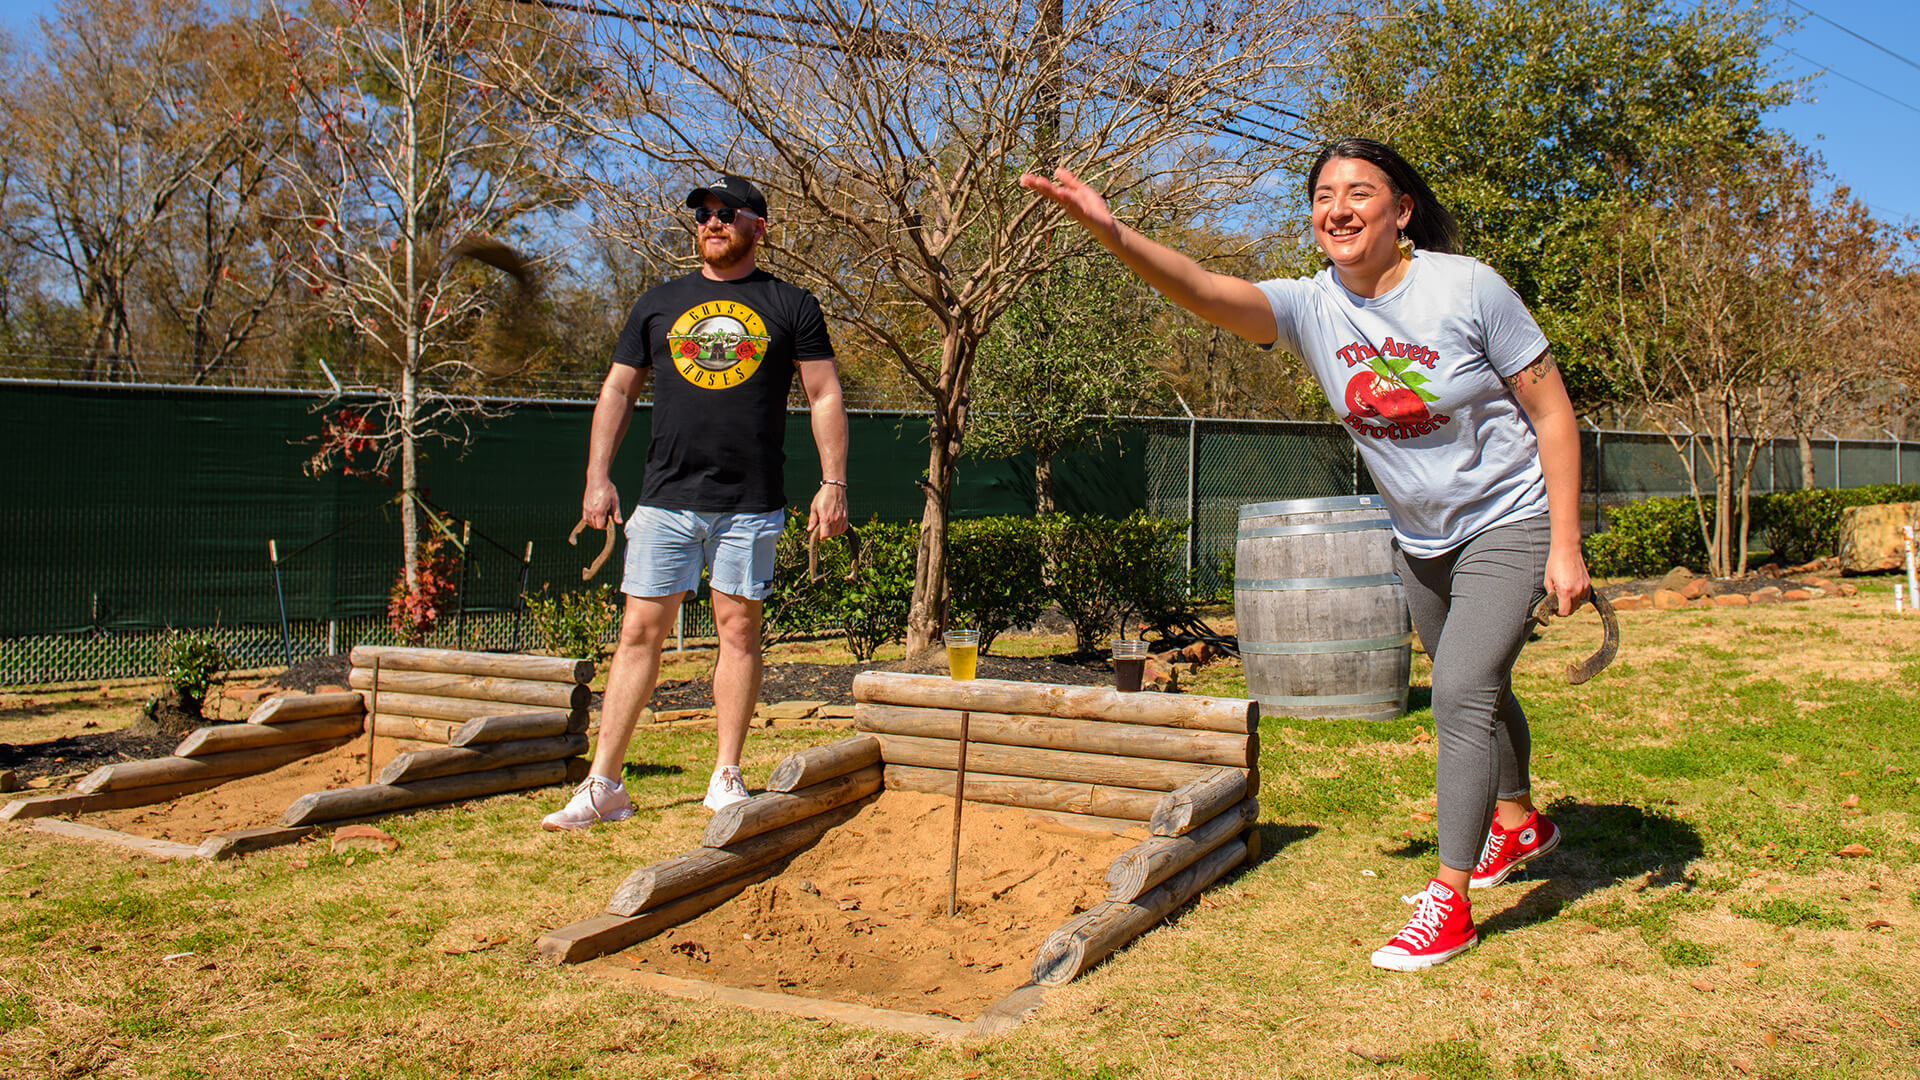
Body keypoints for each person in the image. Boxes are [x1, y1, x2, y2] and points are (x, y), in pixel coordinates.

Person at [1021, 138, 1590, 970]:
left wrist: (1566, 544)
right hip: (1421, 535)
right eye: (1323, 195)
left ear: (1401, 211)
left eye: (1360, 192)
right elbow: (1207, 292)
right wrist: (1114, 232)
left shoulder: (1466, 287)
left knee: (1462, 689)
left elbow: (1553, 416)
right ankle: (1516, 821)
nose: (1339, 208)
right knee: (1480, 681)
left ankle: (1450, 903)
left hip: (1510, 516)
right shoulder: (1310, 305)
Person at [543, 175, 849, 830]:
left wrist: (835, 481)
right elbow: (618, 393)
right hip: (666, 497)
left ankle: (726, 775)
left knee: (738, 632)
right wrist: (598, 476)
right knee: (636, 633)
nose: (711, 222)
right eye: (703, 214)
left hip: (751, 499)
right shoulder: (658, 304)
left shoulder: (790, 304)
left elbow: (824, 393)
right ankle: (604, 785)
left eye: (726, 213)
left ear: (758, 226)